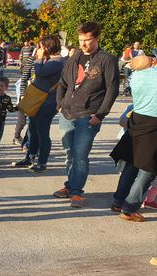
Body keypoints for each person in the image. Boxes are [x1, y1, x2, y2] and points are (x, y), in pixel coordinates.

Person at [55, 21, 119, 208]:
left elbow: (112, 90)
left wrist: (100, 114)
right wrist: (59, 104)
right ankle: (70, 185)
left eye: (88, 40)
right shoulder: (74, 57)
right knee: (69, 154)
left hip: (89, 115)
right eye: (81, 40)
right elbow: (63, 82)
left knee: (80, 154)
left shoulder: (107, 59)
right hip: (67, 113)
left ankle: (76, 192)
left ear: (97, 38)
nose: (83, 44)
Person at [111, 55, 157, 222]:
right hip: (153, 124)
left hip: (137, 120)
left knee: (132, 163)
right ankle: (129, 208)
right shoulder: (153, 74)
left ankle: (118, 200)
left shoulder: (136, 76)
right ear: (151, 63)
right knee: (148, 169)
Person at [22, 35, 65, 173]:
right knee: (32, 129)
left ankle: (42, 162)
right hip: (39, 101)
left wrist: (39, 58)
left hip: (47, 103)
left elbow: (39, 72)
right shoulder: (51, 60)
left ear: (48, 47)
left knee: (42, 132)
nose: (38, 49)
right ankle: (30, 157)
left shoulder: (57, 62)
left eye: (41, 46)